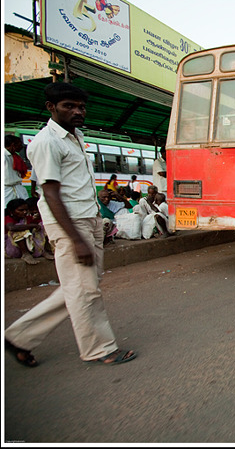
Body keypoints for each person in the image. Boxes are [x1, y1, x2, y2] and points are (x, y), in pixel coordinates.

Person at [4, 82, 136, 368]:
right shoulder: (46, 142)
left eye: (81, 106)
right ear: (51, 108)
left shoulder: (75, 137)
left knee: (79, 287)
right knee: (85, 290)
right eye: (69, 106)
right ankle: (99, 348)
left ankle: (18, 337)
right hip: (70, 224)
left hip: (87, 219)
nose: (78, 111)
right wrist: (75, 238)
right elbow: (50, 192)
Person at [4, 198, 53, 265]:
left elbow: (40, 225)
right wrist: (32, 225)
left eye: (26, 210)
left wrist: (40, 217)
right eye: (21, 210)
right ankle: (25, 254)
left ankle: (42, 250)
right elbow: (11, 227)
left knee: (41, 226)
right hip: (11, 248)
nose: (25, 212)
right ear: (11, 211)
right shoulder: (7, 218)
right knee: (18, 228)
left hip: (29, 247)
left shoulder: (27, 218)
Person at [4, 134, 29, 201]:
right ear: (13, 145)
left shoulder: (14, 156)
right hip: (6, 190)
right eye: (19, 144)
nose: (21, 147)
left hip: (17, 188)